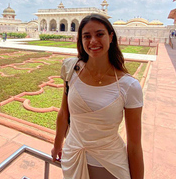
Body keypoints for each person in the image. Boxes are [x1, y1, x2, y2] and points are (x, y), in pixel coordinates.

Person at [51, 14, 144, 179]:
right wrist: (58, 143)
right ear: (81, 40)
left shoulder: (128, 86)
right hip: (72, 157)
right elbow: (64, 113)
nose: (93, 41)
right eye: (87, 36)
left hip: (109, 165)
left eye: (99, 34)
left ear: (111, 36)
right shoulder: (72, 70)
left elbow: (134, 145)